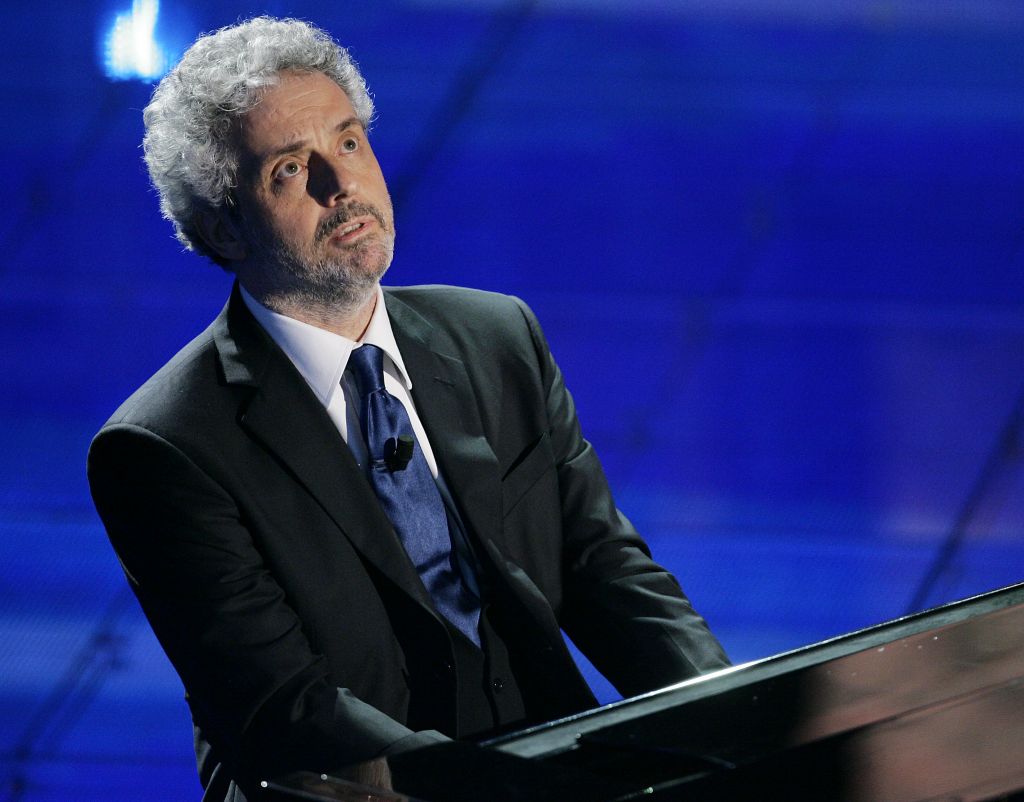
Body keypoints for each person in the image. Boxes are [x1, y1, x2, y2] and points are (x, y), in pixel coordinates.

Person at [87, 16, 729, 801]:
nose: (341, 185)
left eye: (350, 142)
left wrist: (739, 717)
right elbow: (287, 709)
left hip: (552, 761)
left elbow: (604, 568)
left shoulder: (499, 336)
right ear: (224, 226)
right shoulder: (164, 446)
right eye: (290, 168)